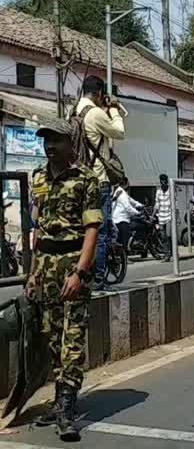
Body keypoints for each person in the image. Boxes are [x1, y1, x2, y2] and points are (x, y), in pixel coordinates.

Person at [27, 119, 101, 441]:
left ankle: (69, 409)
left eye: (56, 140)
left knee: (71, 341)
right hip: (45, 267)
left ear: (71, 144)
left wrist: (80, 272)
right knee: (52, 337)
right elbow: (38, 228)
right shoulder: (38, 178)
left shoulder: (86, 180)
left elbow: (92, 230)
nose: (50, 146)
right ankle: (59, 402)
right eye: (46, 140)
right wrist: (32, 273)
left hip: (73, 266)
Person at [74, 75, 127, 290]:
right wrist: (113, 109)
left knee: (83, 229)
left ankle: (83, 274)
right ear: (98, 94)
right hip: (98, 180)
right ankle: (99, 279)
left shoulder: (75, 111)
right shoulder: (96, 113)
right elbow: (120, 132)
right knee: (101, 231)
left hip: (80, 179)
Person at [112, 178, 143, 248]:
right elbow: (128, 207)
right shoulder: (122, 193)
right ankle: (124, 255)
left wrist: (141, 205)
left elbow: (131, 200)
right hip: (121, 220)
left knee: (121, 240)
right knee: (123, 242)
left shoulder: (120, 191)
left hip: (118, 219)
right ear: (125, 184)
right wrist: (137, 213)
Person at [154, 174, 173, 262]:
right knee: (163, 237)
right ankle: (167, 254)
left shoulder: (171, 191)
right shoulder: (158, 192)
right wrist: (153, 214)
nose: (163, 185)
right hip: (161, 217)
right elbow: (157, 204)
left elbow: (174, 204)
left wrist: (176, 216)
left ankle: (170, 253)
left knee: (169, 235)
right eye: (161, 183)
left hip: (169, 216)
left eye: (164, 183)